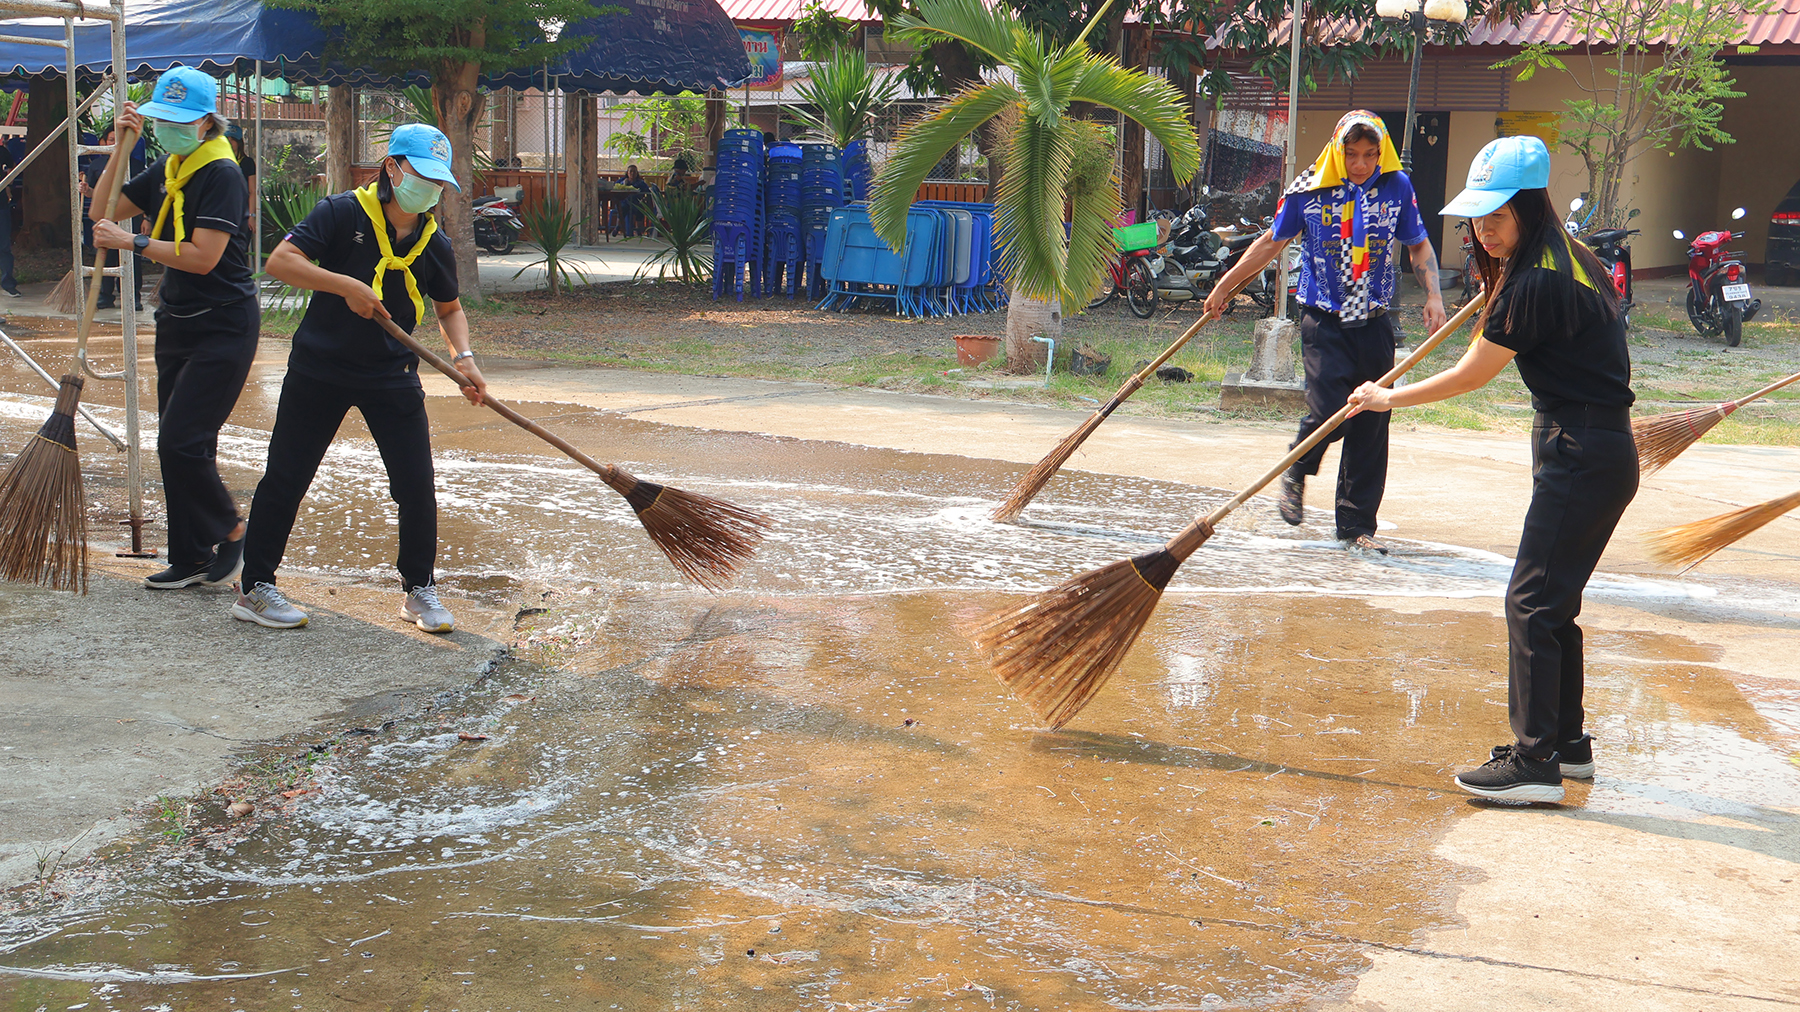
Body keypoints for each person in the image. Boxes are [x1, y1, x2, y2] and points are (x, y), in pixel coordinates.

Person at [1345, 136, 1636, 803]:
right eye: (1477, 218)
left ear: (1531, 208)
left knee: (1530, 603)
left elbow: (1471, 373)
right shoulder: (1567, 258)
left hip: (1580, 449)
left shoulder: (1536, 279)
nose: (1485, 230)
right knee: (1552, 605)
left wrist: (1386, 397)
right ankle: (1566, 746)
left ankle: (1534, 763)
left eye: (1499, 216)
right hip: (1594, 448)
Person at [231, 123, 486, 632]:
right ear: (392, 168)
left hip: (391, 373)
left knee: (416, 485)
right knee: (286, 477)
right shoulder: (341, 212)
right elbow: (281, 261)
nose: (431, 189)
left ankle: (419, 590)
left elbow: (449, 308)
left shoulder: (433, 242)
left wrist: (464, 358)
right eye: (422, 176)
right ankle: (254, 586)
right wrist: (344, 285)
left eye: (439, 181)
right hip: (319, 369)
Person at [1205, 111, 1447, 554]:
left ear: (1381, 153)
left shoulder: (1396, 186)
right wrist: (1226, 286)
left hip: (1375, 321)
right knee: (1330, 409)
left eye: (1369, 155)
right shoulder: (1308, 189)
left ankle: (1356, 528)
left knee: (1372, 420)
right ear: (1338, 150)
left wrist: (1434, 295)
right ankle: (1297, 468)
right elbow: (1270, 242)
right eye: (1351, 154)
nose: (1360, 164)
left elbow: (1417, 243)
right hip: (1324, 320)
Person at [89, 66, 258, 590]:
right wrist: (121, 148)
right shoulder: (171, 166)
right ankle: (190, 556)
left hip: (224, 322)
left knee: (180, 441)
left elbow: (203, 257)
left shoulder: (222, 173)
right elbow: (102, 210)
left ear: (207, 122)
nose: (168, 128)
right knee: (185, 445)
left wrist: (133, 243)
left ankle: (232, 530)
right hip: (177, 320)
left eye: (179, 120)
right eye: (161, 118)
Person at [79, 125, 147, 311]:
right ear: (103, 143)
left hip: (131, 217)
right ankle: (104, 296)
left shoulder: (137, 166)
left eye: (119, 139)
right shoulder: (97, 166)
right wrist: (87, 190)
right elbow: (94, 194)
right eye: (111, 140)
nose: (115, 143)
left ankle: (132, 296)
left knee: (131, 256)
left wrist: (146, 219)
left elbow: (144, 196)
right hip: (106, 216)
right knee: (105, 255)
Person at [225, 122, 257, 220]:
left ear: (239, 142)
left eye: (233, 139)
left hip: (242, 210)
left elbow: (252, 191)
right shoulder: (220, 162)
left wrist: (251, 215)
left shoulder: (247, 162)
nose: (230, 142)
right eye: (227, 139)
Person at [0, 138, 18, 298]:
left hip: (1, 205)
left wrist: (7, 183)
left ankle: (8, 284)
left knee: (4, 246)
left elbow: (13, 168)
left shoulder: (2, 152)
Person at [620, 163, 650, 237]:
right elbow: (615, 186)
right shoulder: (622, 181)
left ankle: (639, 231)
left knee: (640, 210)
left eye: (634, 171)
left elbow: (648, 192)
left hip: (636, 202)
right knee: (622, 208)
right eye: (631, 171)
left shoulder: (640, 182)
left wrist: (645, 199)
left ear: (637, 173)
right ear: (627, 173)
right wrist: (624, 184)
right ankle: (618, 227)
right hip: (625, 202)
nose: (632, 173)